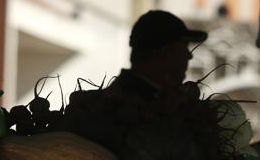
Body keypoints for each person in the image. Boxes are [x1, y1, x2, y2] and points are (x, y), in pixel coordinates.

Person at [63, 10, 207, 151]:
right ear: (166, 53)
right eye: (184, 48)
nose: (189, 56)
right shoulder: (145, 113)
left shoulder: (86, 103)